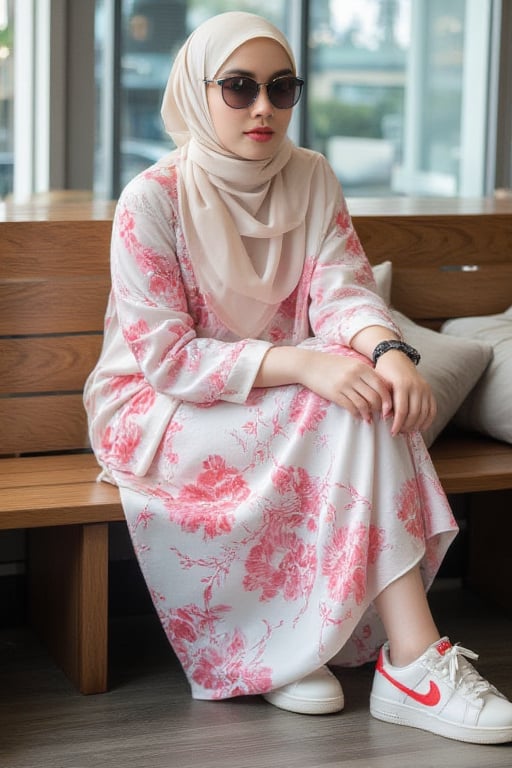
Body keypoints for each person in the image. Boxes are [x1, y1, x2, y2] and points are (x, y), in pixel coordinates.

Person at [84, 11, 512, 744]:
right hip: (160, 406)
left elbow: (341, 290)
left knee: (363, 393)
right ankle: (404, 661)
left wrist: (386, 351)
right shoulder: (151, 199)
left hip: (284, 400)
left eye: (282, 89)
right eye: (240, 87)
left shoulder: (310, 175)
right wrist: (304, 364)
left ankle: (320, 649)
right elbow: (166, 357)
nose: (263, 107)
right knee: (338, 403)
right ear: (197, 91)